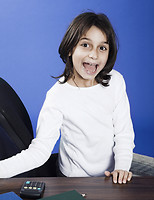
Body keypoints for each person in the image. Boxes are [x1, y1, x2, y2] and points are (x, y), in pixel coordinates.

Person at [0, 12, 135, 184]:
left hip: (110, 175)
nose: (94, 55)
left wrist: (122, 167)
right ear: (71, 48)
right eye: (86, 45)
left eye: (102, 48)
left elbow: (124, 133)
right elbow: (40, 151)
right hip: (74, 178)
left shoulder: (116, 81)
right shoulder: (57, 96)